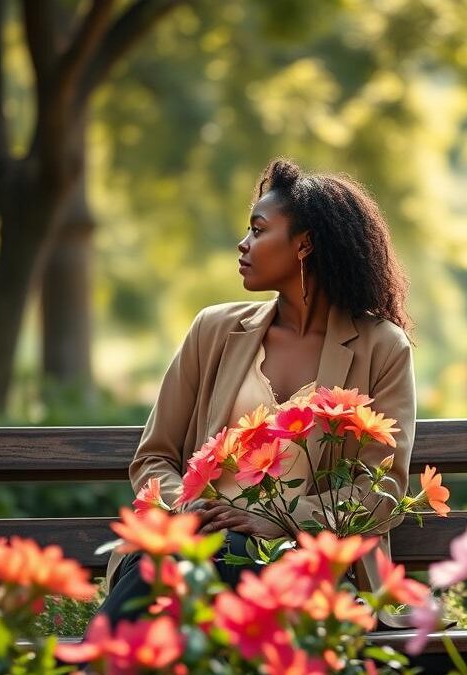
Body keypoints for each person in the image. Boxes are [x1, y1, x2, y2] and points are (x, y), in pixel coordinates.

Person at [98, 158, 416, 628]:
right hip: (187, 543)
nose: (242, 244)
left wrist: (285, 519)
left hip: (302, 561)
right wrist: (188, 510)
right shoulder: (213, 330)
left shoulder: (382, 348)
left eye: (258, 230)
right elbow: (153, 458)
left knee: (210, 561)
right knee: (187, 558)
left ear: (304, 244)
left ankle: (96, 658)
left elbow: (382, 487)